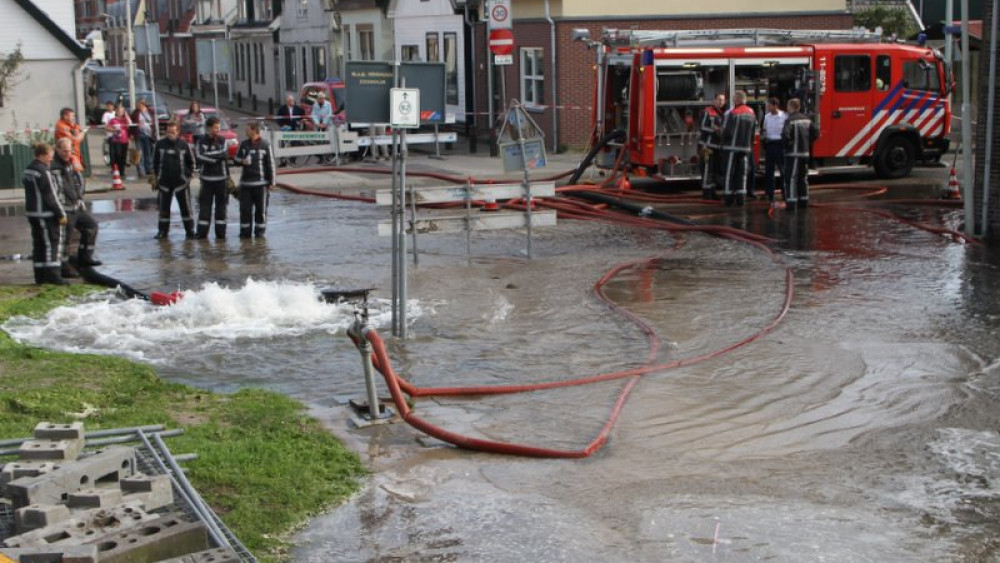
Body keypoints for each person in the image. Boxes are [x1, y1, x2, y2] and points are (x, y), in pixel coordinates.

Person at [51, 138, 101, 277]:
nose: (68, 153)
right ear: (58, 150)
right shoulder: (54, 166)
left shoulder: (71, 163)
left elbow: (78, 181)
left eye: (69, 151)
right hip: (64, 208)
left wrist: (79, 197)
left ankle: (85, 257)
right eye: (64, 151)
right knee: (65, 239)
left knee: (91, 226)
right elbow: (55, 189)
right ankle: (64, 268)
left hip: (76, 206)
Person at [22, 142, 68, 285]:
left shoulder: (28, 170)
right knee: (51, 243)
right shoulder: (43, 171)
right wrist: (61, 213)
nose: (51, 159)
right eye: (49, 156)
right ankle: (53, 275)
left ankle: (40, 276)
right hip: (45, 215)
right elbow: (50, 195)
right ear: (41, 155)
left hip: (32, 214)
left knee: (39, 245)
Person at [151, 121, 196, 239]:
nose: (170, 134)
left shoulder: (184, 144)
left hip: (181, 182)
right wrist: (156, 177)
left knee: (186, 208)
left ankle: (190, 230)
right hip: (164, 182)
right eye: (168, 132)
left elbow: (191, 163)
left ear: (178, 132)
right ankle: (162, 231)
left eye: (173, 132)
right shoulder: (159, 144)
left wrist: (188, 177)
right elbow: (154, 162)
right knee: (163, 209)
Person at [233, 121, 275, 238]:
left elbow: (271, 164)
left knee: (260, 211)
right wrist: (242, 161)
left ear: (253, 130)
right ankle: (245, 235)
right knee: (245, 211)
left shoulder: (265, 145)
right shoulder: (244, 144)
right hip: (246, 185)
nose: (245, 131)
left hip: (261, 185)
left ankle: (259, 235)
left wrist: (272, 182)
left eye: (247, 129)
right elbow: (235, 160)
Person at [194, 116, 231, 239]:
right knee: (205, 208)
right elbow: (199, 157)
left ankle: (221, 234)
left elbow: (225, 154)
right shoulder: (201, 141)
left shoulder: (222, 140)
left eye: (219, 128)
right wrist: (216, 158)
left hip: (222, 179)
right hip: (206, 180)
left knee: (221, 209)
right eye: (215, 128)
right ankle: (202, 233)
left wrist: (209, 156)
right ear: (209, 128)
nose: (218, 130)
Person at [719, 90, 757, 207]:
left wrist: (721, 138)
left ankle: (728, 198)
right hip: (745, 148)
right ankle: (741, 198)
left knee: (729, 172)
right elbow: (752, 132)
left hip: (731, 148)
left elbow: (727, 131)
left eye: (735, 98)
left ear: (739, 99)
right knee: (742, 174)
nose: (733, 100)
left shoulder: (734, 113)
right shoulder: (752, 113)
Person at [781, 98, 819, 210]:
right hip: (805, 153)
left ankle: (791, 203)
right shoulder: (807, 119)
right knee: (803, 178)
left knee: (791, 178)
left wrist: (787, 146)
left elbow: (785, 136)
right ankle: (804, 201)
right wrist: (808, 142)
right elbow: (816, 133)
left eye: (788, 106)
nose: (787, 109)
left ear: (791, 107)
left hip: (792, 155)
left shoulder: (790, 120)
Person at [697, 93, 726, 199]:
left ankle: (712, 191)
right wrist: (715, 130)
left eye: (723, 100)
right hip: (706, 147)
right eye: (719, 99)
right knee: (707, 170)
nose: (721, 102)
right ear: (714, 100)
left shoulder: (721, 114)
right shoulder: (707, 112)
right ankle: (706, 193)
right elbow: (702, 127)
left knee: (714, 170)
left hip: (716, 147)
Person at [760, 97, 787, 203]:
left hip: (780, 146)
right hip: (770, 145)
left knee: (783, 171)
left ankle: (785, 193)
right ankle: (769, 193)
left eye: (769, 106)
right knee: (769, 171)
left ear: (775, 106)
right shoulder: (766, 117)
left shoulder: (784, 117)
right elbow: (764, 130)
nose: (767, 107)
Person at [275, 94, 305, 166]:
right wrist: (282, 125)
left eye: (293, 100)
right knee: (283, 145)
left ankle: (292, 160)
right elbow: (278, 118)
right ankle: (283, 161)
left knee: (295, 144)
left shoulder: (297, 108)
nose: (292, 102)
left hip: (294, 128)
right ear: (287, 102)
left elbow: (303, 115)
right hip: (285, 128)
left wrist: (301, 121)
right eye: (291, 101)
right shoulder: (282, 108)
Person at [54, 108, 86, 172]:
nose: (74, 118)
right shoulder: (61, 125)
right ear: (65, 116)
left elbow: (77, 128)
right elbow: (75, 140)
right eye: (72, 116)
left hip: (75, 153)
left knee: (79, 172)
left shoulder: (70, 124)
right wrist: (81, 134)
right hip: (67, 154)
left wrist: (78, 131)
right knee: (75, 170)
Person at [105, 105, 132, 179]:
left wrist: (126, 115)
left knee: (123, 156)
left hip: (125, 140)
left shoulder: (125, 120)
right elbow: (107, 127)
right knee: (117, 155)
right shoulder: (113, 120)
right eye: (118, 111)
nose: (120, 113)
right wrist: (114, 130)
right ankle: (116, 171)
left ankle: (122, 172)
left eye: (121, 111)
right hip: (116, 140)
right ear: (116, 112)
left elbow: (130, 124)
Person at [131, 99, 156, 178]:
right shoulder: (135, 113)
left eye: (139, 104)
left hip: (149, 135)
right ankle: (141, 171)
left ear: (143, 104)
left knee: (148, 152)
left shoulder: (150, 111)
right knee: (140, 153)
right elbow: (131, 124)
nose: (138, 106)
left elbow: (153, 121)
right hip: (139, 134)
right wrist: (131, 134)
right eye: (137, 104)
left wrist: (154, 133)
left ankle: (148, 169)